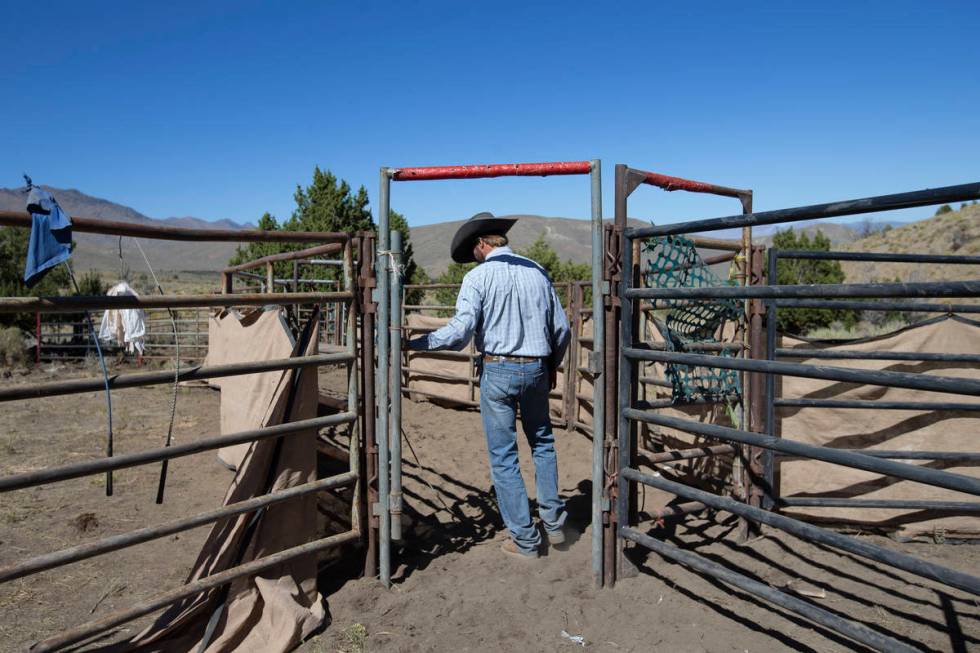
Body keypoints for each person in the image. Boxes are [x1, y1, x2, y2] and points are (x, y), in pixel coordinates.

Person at [408, 211, 571, 559]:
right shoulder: (537, 272)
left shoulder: (478, 278)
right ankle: (555, 524)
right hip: (537, 368)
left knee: (504, 457)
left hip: (498, 370)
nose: (474, 257)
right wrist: (551, 364)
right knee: (543, 443)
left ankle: (526, 541)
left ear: (482, 244)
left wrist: (416, 343)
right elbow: (562, 329)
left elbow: (460, 332)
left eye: (474, 251)